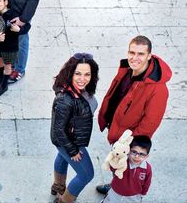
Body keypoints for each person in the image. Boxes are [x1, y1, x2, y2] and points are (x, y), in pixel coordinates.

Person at [96, 35, 172, 194]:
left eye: (141, 54)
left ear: (149, 56)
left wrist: (127, 144)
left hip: (129, 140)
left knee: (127, 171)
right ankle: (115, 186)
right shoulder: (127, 70)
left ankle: (120, 194)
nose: (134, 58)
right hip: (117, 131)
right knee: (117, 165)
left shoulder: (158, 89)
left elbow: (150, 123)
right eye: (132, 52)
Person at [50, 53, 99, 203]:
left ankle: (58, 186)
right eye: (78, 73)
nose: (82, 79)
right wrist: (73, 150)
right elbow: (59, 129)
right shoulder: (66, 99)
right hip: (68, 142)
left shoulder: (79, 90)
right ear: (70, 73)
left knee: (62, 158)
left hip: (67, 139)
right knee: (86, 175)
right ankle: (64, 200)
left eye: (87, 74)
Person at [0, 0, 31, 96]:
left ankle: (4, 85)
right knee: (0, 61)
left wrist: (19, 29)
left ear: (6, 2)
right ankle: (0, 77)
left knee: (7, 66)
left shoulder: (13, 15)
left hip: (10, 46)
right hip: (0, 44)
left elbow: (27, 27)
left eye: (0, 1)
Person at [102, 136, 152, 203]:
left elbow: (147, 183)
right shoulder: (123, 161)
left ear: (146, 156)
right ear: (129, 151)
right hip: (115, 192)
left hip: (133, 197)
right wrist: (115, 159)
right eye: (134, 152)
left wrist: (142, 194)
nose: (137, 156)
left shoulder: (147, 169)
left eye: (141, 154)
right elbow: (112, 168)